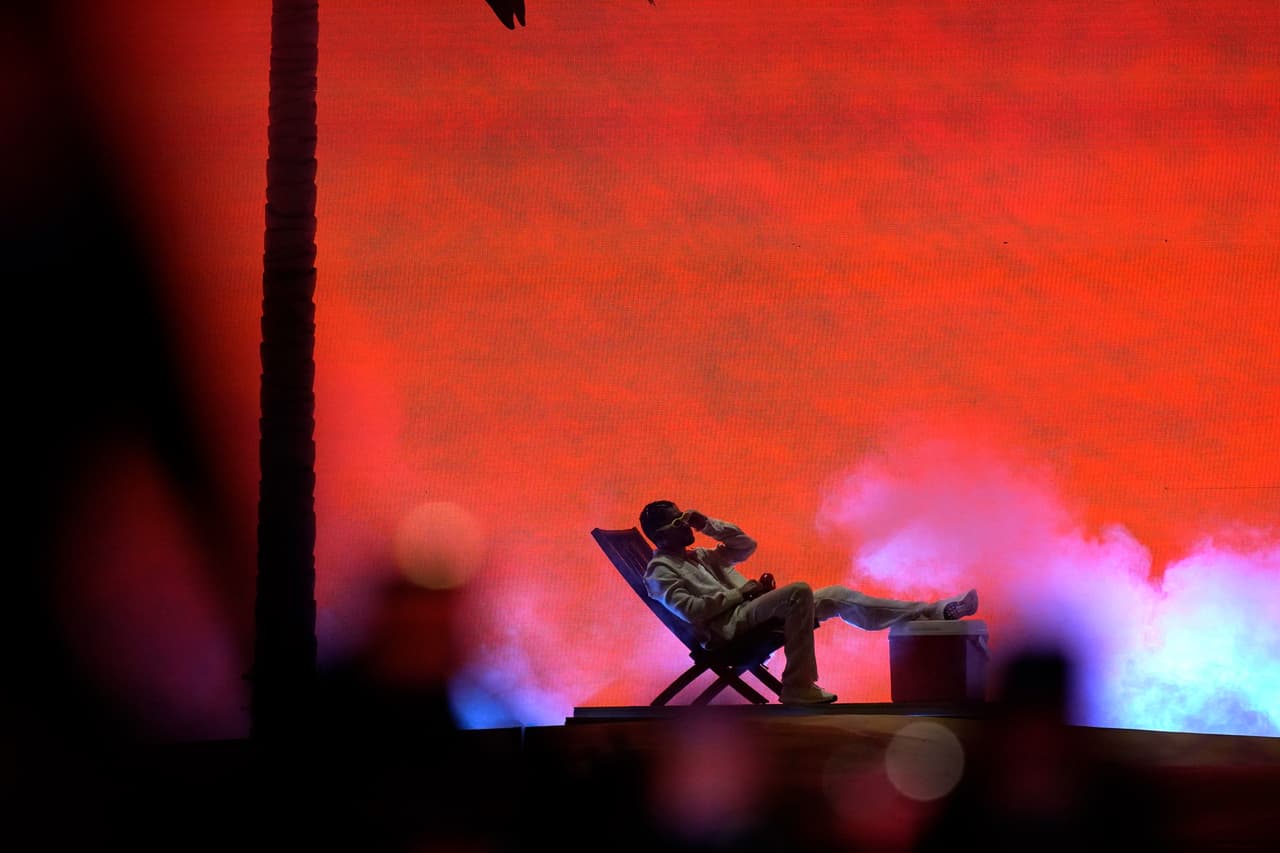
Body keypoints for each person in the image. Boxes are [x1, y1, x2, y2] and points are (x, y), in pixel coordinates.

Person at [638, 500, 979, 705]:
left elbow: (745, 545)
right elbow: (691, 611)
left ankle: (934, 611)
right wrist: (741, 594)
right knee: (799, 591)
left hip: (748, 613)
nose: (687, 525)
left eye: (685, 517)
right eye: (679, 522)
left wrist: (706, 524)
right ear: (661, 535)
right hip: (729, 630)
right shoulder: (660, 571)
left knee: (837, 596)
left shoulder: (699, 556)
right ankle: (797, 686)